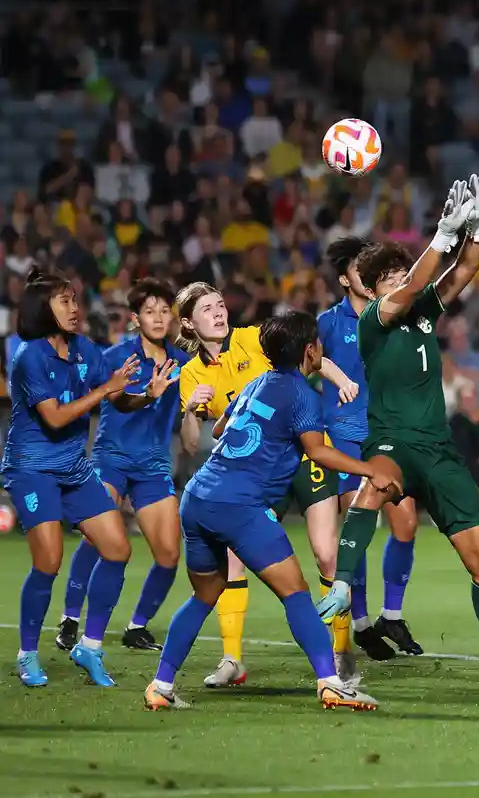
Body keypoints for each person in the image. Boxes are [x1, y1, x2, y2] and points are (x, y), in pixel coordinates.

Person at [319, 174, 479, 687]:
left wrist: (476, 227)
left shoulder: (423, 312)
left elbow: (466, 268)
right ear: (375, 290)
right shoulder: (374, 321)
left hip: (439, 449)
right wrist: (442, 235)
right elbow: (417, 284)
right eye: (390, 276)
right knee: (374, 483)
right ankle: (341, 583)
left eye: (403, 272)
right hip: (393, 442)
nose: (400, 280)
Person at [142, 312, 395, 711]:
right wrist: (370, 470)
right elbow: (318, 451)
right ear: (310, 351)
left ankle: (161, 684)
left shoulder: (256, 383)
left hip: (197, 497)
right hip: (239, 505)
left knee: (205, 594)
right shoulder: (302, 394)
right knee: (295, 593)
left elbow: (221, 430)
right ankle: (331, 682)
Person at [176, 280, 360, 687]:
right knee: (232, 560)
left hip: (305, 452)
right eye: (207, 309)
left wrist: (340, 378)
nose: (219, 313)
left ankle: (342, 651)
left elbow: (305, 352)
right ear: (189, 325)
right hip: (256, 472)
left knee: (326, 554)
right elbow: (191, 445)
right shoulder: (189, 374)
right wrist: (190, 412)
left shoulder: (250, 339)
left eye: (220, 304)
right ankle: (232, 660)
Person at [4, 267, 144, 686]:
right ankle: (27, 654)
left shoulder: (84, 348)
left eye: (75, 300)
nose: (75, 308)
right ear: (42, 308)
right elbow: (55, 417)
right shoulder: (29, 355)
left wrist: (146, 394)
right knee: (48, 560)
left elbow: (117, 400)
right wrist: (106, 390)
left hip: (73, 468)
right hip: (32, 469)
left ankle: (91, 646)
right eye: (64, 301)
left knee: (118, 549)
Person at [55, 279, 190, 654]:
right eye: (150, 312)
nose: (159, 318)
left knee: (169, 554)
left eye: (165, 311)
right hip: (111, 460)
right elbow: (117, 402)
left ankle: (137, 626)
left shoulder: (181, 363)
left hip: (153, 465)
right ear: (136, 319)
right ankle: (69, 618)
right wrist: (148, 394)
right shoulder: (118, 357)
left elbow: (191, 406)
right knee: (97, 539)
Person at [320, 237, 424, 662]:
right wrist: (336, 375)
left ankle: (391, 615)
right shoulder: (328, 322)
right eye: (359, 268)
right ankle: (360, 623)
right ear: (346, 278)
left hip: (388, 432)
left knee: (407, 525)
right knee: (357, 529)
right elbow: (307, 358)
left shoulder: (395, 316)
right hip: (345, 437)